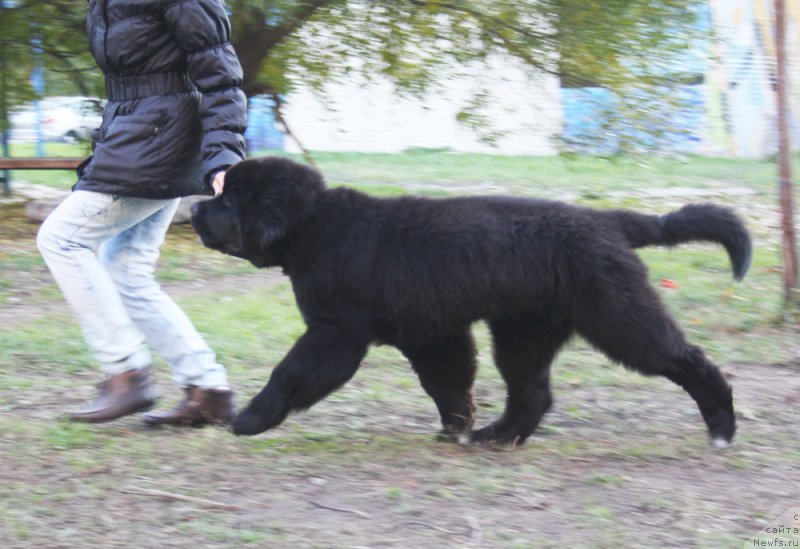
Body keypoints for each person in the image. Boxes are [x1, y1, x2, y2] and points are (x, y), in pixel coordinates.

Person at [36, 0, 247, 426]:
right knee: (126, 269)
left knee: (61, 238)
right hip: (138, 133)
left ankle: (125, 372)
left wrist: (224, 154)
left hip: (159, 140)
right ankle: (208, 389)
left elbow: (221, 74)